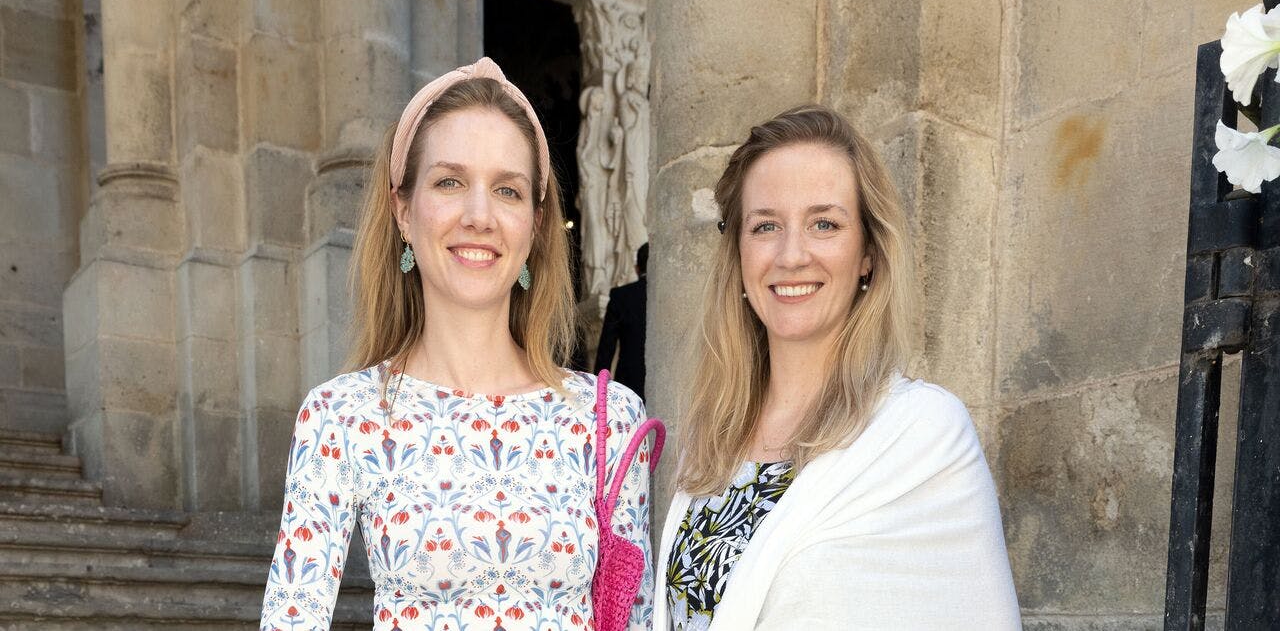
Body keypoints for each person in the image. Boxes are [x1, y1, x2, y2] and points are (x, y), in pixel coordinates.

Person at [260, 58, 654, 631]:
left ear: (536, 225)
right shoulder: (342, 417)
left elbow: (637, 618)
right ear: (403, 212)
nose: (479, 215)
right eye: (450, 182)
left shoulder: (610, 420)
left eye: (508, 190)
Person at [654, 106, 1020, 630]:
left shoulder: (923, 434)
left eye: (824, 223)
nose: (792, 254)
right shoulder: (712, 440)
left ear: (868, 252)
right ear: (738, 255)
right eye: (765, 226)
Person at [594, 243, 648, 400]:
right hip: (666, 380)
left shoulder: (621, 296)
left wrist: (598, 390)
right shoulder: (670, 297)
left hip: (629, 386)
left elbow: (606, 348)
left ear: (637, 268)